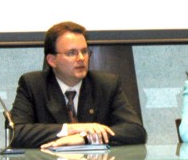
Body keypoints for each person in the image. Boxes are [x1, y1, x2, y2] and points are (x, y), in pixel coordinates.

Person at [10, 21, 147, 148]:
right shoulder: (32, 85)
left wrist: (85, 137)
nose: (81, 58)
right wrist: (73, 129)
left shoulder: (106, 85)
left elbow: (135, 131)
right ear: (52, 60)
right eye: (71, 53)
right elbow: (17, 133)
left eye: (84, 51)